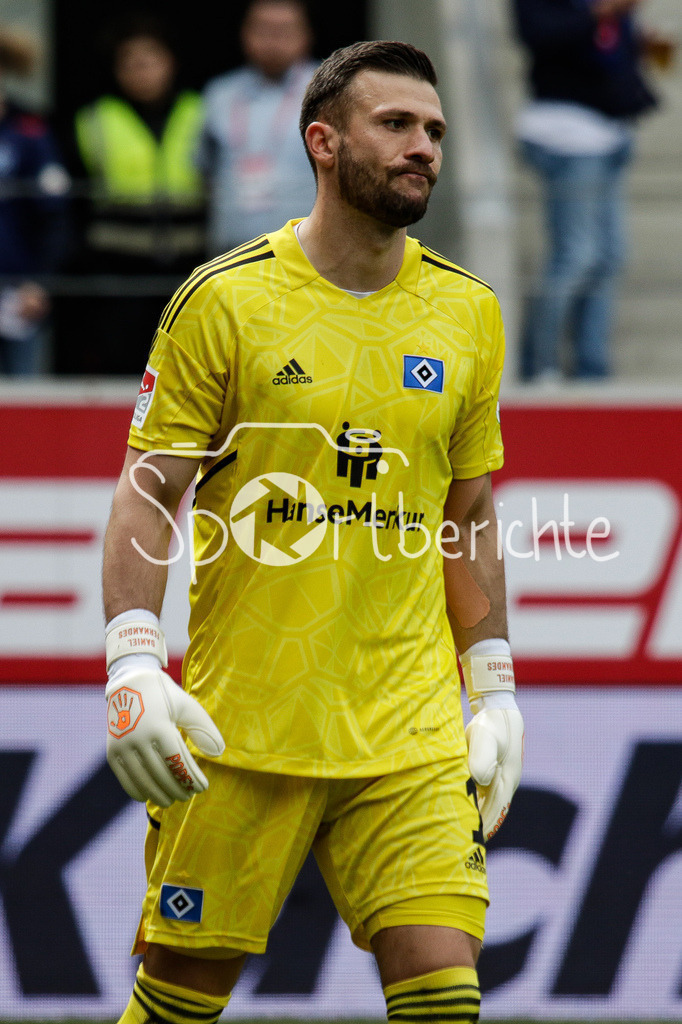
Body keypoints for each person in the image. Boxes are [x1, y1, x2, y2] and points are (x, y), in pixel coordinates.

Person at [102, 40, 524, 1024]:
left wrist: (492, 682)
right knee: (177, 1005)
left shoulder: (468, 312)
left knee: (444, 1001)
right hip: (238, 728)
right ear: (322, 143)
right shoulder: (226, 300)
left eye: (435, 131)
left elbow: (466, 513)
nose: (424, 146)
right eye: (397, 125)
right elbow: (148, 489)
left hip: (408, 730)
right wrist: (132, 661)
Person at [511, 0, 661, 382]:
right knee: (576, 254)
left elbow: (610, 54)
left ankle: (591, 368)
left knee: (609, 255)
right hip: (567, 133)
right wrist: (602, 12)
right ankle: (539, 366)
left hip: (609, 132)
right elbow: (537, 35)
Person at [60, 15, 205, 374]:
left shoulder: (201, 112)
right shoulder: (92, 119)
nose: (141, 71)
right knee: (119, 365)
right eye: (130, 62)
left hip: (188, 266)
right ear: (116, 70)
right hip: (115, 271)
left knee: (184, 369)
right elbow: (71, 201)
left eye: (149, 60)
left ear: (169, 62)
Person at [198, 0, 317, 254]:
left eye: (283, 31)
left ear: (306, 35)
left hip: (307, 253)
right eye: (263, 30)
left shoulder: (328, 92)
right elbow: (203, 170)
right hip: (230, 252)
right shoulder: (219, 94)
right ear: (244, 33)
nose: (272, 41)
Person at [0, 25, 70, 375]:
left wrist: (41, 283)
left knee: (22, 403)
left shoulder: (30, 132)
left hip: (18, 296)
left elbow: (56, 218)